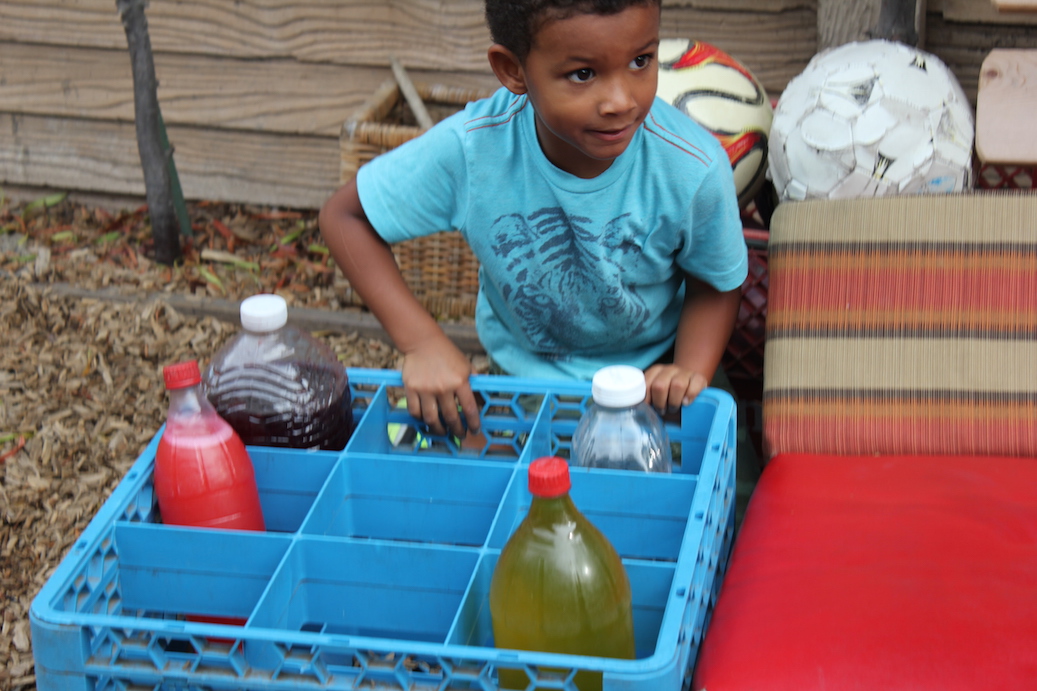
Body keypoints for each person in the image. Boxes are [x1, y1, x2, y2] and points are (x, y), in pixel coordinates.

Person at [319, 0, 748, 440]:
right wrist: (422, 343)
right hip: (522, 385)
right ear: (513, 70)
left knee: (721, 471)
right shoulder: (474, 150)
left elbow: (713, 284)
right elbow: (345, 217)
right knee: (487, 473)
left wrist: (688, 372)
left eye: (641, 61)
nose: (621, 101)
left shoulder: (691, 166)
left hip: (657, 379)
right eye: (583, 73)